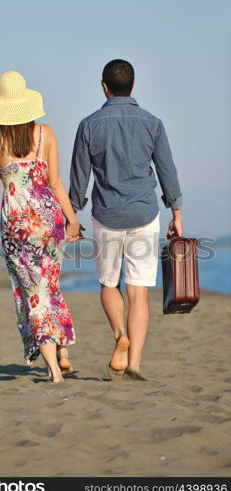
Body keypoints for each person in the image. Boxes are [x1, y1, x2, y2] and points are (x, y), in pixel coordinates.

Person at [69, 59, 183, 381]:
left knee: (108, 284)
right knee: (138, 293)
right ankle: (134, 365)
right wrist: (176, 213)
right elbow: (166, 171)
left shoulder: (89, 124)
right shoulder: (152, 123)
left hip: (106, 215)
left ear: (104, 87)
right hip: (145, 214)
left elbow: (79, 177)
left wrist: (72, 216)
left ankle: (120, 334)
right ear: (132, 86)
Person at [0, 70, 83, 383]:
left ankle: (53, 370)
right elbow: (56, 183)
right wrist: (72, 219)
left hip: (17, 226)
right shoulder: (45, 133)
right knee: (48, 287)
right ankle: (62, 353)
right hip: (50, 221)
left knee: (33, 293)